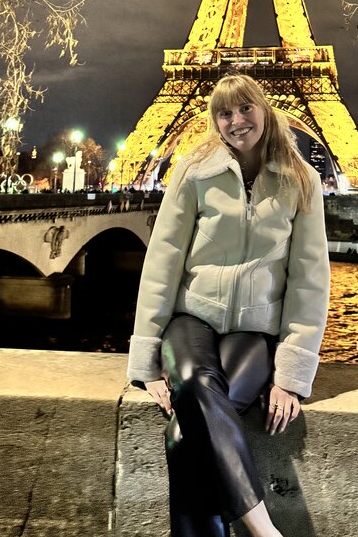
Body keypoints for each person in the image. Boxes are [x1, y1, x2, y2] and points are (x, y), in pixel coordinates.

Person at [127, 74, 330, 537]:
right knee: (197, 383)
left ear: (265, 109)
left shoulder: (302, 180)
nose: (237, 120)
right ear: (214, 121)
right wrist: (147, 359)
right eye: (224, 113)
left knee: (185, 432)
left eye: (245, 109)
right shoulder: (193, 172)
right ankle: (263, 529)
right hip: (191, 318)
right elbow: (163, 262)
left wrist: (291, 376)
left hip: (254, 329)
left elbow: (309, 279)